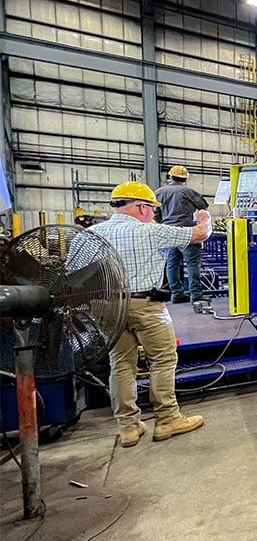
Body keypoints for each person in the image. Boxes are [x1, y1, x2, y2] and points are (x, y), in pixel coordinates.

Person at [90, 180, 212, 447]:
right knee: (163, 359)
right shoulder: (153, 232)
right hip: (145, 304)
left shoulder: (91, 235)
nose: (154, 214)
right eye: (153, 209)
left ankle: (128, 428)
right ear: (142, 207)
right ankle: (167, 419)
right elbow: (200, 234)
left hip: (106, 307)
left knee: (120, 363)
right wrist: (204, 217)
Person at [154, 165, 210, 303]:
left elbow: (155, 214)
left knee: (172, 264)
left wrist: (166, 224)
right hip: (187, 233)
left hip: (168, 233)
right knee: (192, 264)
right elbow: (203, 205)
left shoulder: (159, 192)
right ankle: (196, 294)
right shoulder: (188, 191)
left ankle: (177, 294)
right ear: (185, 179)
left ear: (170, 176)